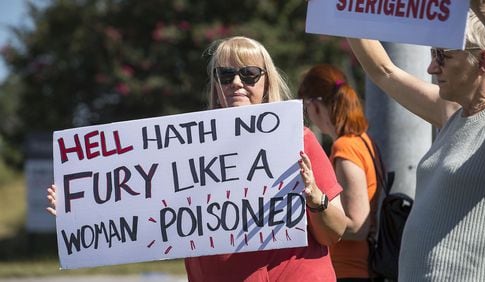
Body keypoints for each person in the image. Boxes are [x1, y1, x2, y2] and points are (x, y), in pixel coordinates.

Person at [48, 36, 347, 281]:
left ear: (266, 81)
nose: (237, 83)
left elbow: (334, 232)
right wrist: (79, 210)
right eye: (226, 75)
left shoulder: (297, 138)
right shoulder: (188, 148)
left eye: (249, 74)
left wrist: (315, 198)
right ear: (216, 83)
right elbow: (143, 211)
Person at [346, 0, 485, 280]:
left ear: (484, 61)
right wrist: (341, 12)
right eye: (432, 54)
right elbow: (385, 72)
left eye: (443, 56)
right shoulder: (452, 113)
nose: (431, 68)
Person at [297, 64, 381, 281]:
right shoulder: (362, 140)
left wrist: (313, 218)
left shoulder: (345, 148)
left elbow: (357, 224)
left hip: (349, 271)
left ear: (314, 106)